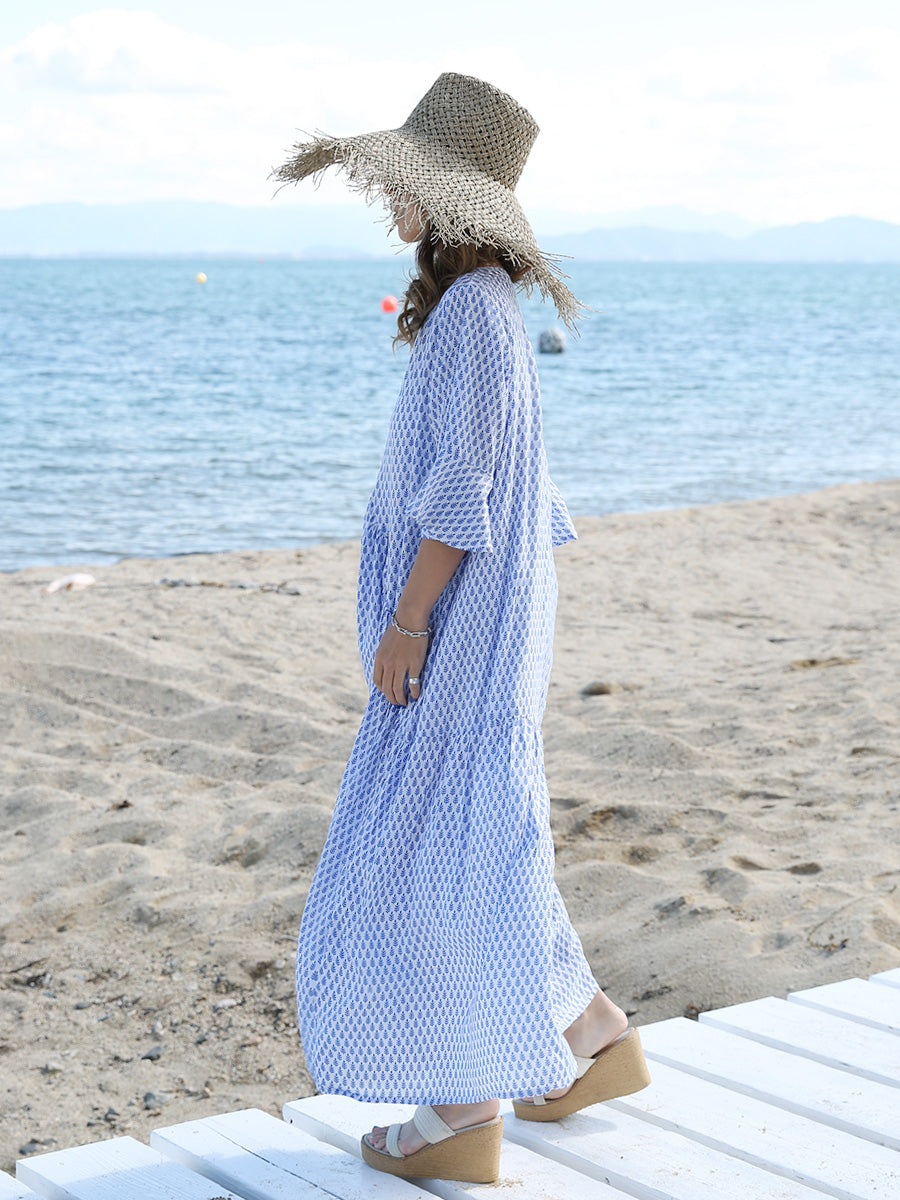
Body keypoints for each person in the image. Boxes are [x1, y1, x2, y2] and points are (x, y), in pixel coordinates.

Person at [273, 72, 650, 1185]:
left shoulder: (477, 314)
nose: (391, 199)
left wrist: (409, 619)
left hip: (458, 628)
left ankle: (460, 1106)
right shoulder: (483, 311)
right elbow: (527, 488)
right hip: (486, 622)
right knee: (480, 828)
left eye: (405, 182)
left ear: (446, 198)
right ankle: (588, 1035)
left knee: (436, 840)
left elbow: (468, 484)